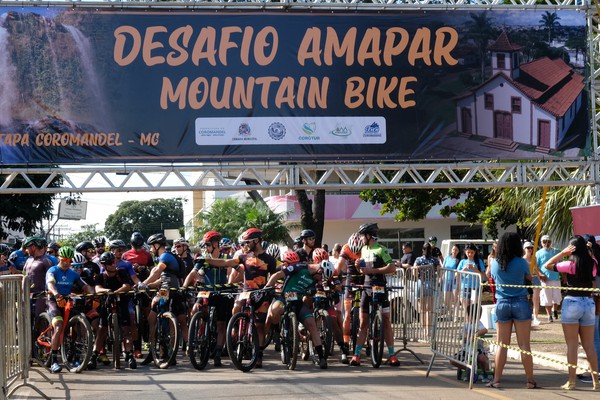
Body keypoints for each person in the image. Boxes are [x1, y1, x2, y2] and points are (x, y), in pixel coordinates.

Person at [200, 228, 277, 368]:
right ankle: (236, 328)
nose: (245, 245)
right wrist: (206, 260)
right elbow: (225, 263)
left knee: (259, 326)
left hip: (262, 294)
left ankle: (258, 356)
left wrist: (271, 289)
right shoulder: (243, 257)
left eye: (248, 242)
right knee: (236, 308)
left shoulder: (270, 259)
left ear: (256, 240)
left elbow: (274, 277)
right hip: (246, 293)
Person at [542, 236, 599, 390]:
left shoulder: (569, 264)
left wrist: (562, 253)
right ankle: (596, 382)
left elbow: (547, 265)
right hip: (588, 303)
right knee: (589, 345)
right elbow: (593, 262)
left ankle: (572, 381)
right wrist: (589, 251)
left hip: (572, 302)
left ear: (571, 249)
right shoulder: (592, 263)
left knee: (572, 344)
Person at [265, 250, 333, 369]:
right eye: (321, 276)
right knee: (275, 311)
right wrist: (268, 288)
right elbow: (277, 275)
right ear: (319, 270)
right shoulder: (299, 267)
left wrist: (311, 293)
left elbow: (310, 296)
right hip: (284, 297)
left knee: (311, 324)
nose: (321, 279)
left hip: (297, 301)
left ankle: (322, 357)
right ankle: (276, 332)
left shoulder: (316, 279)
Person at [487, 232, 537, 389]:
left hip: (502, 303)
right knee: (524, 345)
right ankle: (530, 380)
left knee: (501, 344)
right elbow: (528, 277)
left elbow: (491, 276)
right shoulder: (521, 262)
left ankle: (496, 379)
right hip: (520, 302)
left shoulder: (494, 262)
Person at [350, 223, 400, 367]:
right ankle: (357, 354)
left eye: (361, 235)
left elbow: (392, 268)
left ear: (368, 235)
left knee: (386, 320)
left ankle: (391, 355)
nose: (360, 238)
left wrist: (374, 271)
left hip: (380, 286)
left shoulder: (381, 249)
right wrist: (359, 266)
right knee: (363, 323)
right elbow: (363, 271)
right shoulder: (363, 249)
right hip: (367, 288)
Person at [184, 230, 234, 367]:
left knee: (221, 324)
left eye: (208, 245)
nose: (205, 247)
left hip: (222, 293)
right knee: (194, 310)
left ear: (216, 244)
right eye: (205, 245)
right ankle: (195, 337)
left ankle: (218, 352)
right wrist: (184, 286)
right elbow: (193, 273)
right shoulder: (202, 258)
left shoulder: (226, 257)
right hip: (206, 292)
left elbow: (236, 271)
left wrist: (232, 283)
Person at [140, 233, 188, 364]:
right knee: (155, 318)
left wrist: (143, 283)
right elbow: (162, 278)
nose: (150, 250)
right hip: (173, 290)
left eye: (151, 246)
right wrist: (148, 285)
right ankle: (156, 350)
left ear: (157, 245)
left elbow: (157, 273)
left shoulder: (165, 256)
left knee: (158, 316)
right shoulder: (166, 257)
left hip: (166, 291)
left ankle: (165, 351)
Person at [45, 246, 93, 373]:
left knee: (77, 326)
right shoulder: (52, 270)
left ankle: (76, 357)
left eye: (69, 260)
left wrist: (93, 294)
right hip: (54, 300)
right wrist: (56, 294)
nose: (66, 262)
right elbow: (50, 284)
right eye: (64, 259)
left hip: (67, 300)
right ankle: (54, 360)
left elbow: (84, 285)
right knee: (59, 327)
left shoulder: (72, 273)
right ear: (59, 258)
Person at [89, 251, 137, 370]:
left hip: (121, 302)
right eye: (110, 263)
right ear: (104, 265)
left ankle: (130, 353)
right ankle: (94, 356)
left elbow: (126, 286)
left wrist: (115, 293)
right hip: (106, 303)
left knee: (126, 329)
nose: (113, 264)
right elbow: (97, 288)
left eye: (114, 262)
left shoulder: (121, 272)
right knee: (102, 329)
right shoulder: (101, 276)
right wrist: (107, 291)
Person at [338, 233, 363, 364]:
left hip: (363, 279)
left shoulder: (365, 248)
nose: (355, 254)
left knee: (363, 314)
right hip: (350, 280)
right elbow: (338, 266)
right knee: (347, 314)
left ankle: (365, 340)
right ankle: (346, 344)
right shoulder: (346, 248)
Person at [451, 304, 491, 384]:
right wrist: (466, 336)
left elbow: (484, 330)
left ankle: (484, 373)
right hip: (467, 350)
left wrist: (474, 335)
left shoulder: (478, 324)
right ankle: (468, 369)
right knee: (453, 360)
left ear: (471, 315)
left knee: (482, 359)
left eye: (467, 314)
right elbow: (463, 333)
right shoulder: (466, 325)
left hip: (478, 349)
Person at [414, 243, 441, 337]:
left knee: (422, 309)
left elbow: (414, 272)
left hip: (420, 283)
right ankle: (428, 330)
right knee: (429, 310)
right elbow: (440, 272)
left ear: (422, 250)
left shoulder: (418, 259)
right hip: (430, 283)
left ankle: (424, 329)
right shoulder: (435, 260)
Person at [23, 236, 53, 318]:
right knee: (25, 318)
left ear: (33, 247)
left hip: (40, 296)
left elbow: (52, 279)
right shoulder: (28, 260)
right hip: (27, 295)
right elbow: (23, 275)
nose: (26, 250)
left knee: (38, 318)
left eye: (27, 247)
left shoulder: (46, 261)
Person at [537, 234, 561, 322]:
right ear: (541, 242)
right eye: (544, 241)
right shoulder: (538, 253)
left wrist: (564, 276)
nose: (546, 243)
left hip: (556, 278)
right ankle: (549, 315)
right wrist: (540, 274)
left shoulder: (556, 251)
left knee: (557, 297)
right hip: (545, 279)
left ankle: (554, 310)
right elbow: (536, 266)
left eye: (548, 241)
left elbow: (561, 263)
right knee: (547, 298)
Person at [457, 243, 486, 313]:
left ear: (475, 252)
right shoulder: (462, 262)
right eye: (468, 252)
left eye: (472, 252)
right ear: (465, 252)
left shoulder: (479, 261)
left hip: (475, 288)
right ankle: (468, 323)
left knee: (474, 309)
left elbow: (483, 276)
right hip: (464, 288)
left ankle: (474, 323)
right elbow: (456, 275)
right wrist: (463, 269)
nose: (470, 254)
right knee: (466, 310)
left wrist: (475, 269)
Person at [523, 241, 542, 326]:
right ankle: (527, 317)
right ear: (524, 249)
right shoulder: (522, 259)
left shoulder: (534, 258)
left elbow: (537, 269)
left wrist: (540, 277)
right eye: (528, 248)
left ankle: (536, 318)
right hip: (526, 279)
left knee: (536, 299)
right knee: (526, 298)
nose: (530, 249)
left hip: (535, 278)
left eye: (531, 248)